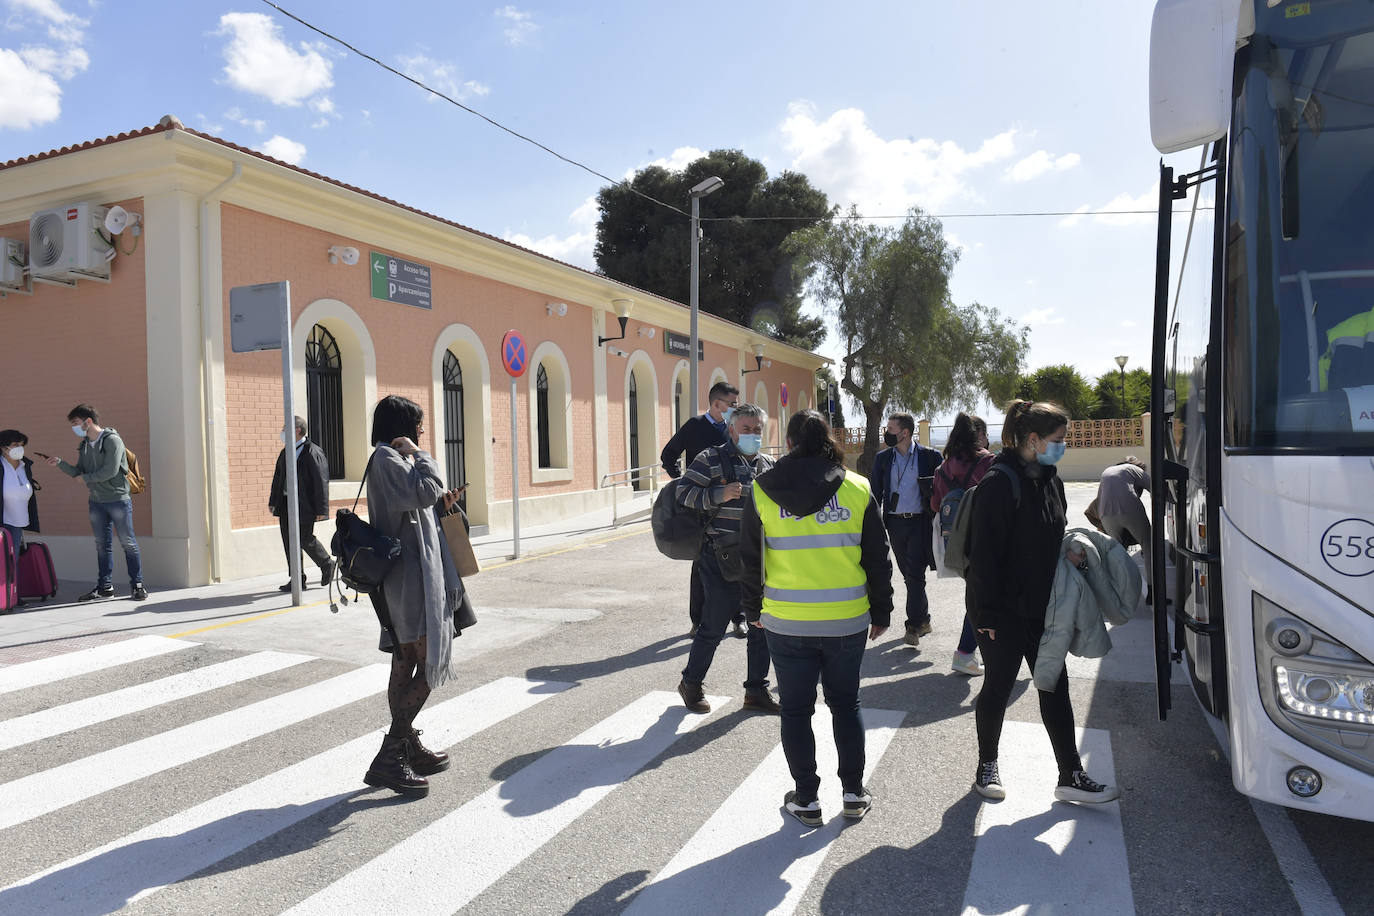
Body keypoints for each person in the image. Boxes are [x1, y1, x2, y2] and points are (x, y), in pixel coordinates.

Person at [740, 409, 894, 826]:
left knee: (795, 710)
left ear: (788, 443)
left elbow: (751, 559)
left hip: (786, 620)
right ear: (830, 440)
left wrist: (753, 609)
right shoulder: (858, 488)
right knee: (845, 705)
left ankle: (806, 799)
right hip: (846, 619)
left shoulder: (761, 490)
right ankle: (854, 793)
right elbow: (877, 557)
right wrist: (882, 608)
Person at [966, 400, 1119, 804]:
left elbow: (1053, 531)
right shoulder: (999, 483)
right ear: (1032, 440)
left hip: (1043, 606)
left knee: (1054, 684)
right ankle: (987, 766)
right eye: (1058, 440)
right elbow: (982, 558)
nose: (1062, 446)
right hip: (1001, 610)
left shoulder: (1050, 478)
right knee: (998, 686)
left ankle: (1070, 774)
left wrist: (1069, 554)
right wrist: (986, 615)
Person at [362, 395, 466, 798]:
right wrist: (423, 455)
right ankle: (391, 754)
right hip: (410, 580)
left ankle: (407, 745)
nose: (421, 433)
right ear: (401, 427)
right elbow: (423, 490)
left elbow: (420, 502)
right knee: (425, 662)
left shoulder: (391, 461)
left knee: (405, 661)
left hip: (408, 577)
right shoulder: (389, 459)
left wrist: (443, 504)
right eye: (418, 426)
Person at [675, 402, 779, 715]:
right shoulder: (710, 458)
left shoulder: (769, 465)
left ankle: (756, 690)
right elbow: (682, 493)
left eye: (757, 430)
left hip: (759, 560)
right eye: (746, 429)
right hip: (720, 555)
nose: (752, 435)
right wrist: (717, 496)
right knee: (714, 625)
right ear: (731, 430)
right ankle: (691, 683)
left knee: (760, 625)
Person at [661, 382, 744, 638]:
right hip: (701, 507)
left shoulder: (735, 429)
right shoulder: (695, 426)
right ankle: (698, 620)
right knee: (701, 566)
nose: (735, 408)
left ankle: (738, 618)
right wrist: (680, 479)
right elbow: (669, 453)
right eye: (732, 404)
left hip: (731, 506)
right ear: (717, 404)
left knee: (737, 561)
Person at [47, 405, 146, 601]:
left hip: (118, 500)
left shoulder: (112, 441)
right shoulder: (84, 445)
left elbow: (110, 471)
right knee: (102, 545)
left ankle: (138, 585)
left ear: (88, 421)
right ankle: (105, 587)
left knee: (128, 543)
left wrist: (86, 479)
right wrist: (60, 463)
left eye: (75, 423)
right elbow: (79, 471)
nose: (74, 428)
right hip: (96, 502)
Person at [870, 412, 942, 647]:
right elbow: (875, 493)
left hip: (920, 522)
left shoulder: (930, 457)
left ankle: (912, 625)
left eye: (891, 429)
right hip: (895, 523)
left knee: (914, 574)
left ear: (905, 433)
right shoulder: (883, 459)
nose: (887, 432)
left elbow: (941, 490)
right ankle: (925, 619)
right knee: (908, 575)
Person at [930, 412, 994, 676]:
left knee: (977, 594)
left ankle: (967, 652)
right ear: (978, 435)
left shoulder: (942, 468)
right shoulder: (988, 462)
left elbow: (934, 505)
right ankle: (966, 653)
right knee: (984, 597)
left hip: (955, 543)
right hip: (985, 539)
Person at [268, 415, 335, 592]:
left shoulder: (312, 451)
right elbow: (278, 478)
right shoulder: (285, 451)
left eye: (285, 428)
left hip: (304, 505)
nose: (282, 432)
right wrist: (273, 501)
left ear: (297, 430)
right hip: (285, 504)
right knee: (289, 541)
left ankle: (327, 563)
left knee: (304, 538)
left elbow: (321, 481)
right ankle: (297, 578)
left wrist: (322, 508)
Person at [1095, 457, 1152, 600]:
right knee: (1149, 546)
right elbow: (1156, 488)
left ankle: (1118, 593)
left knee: (1116, 553)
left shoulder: (1107, 471)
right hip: (1130, 509)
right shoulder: (1136, 470)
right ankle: (1153, 592)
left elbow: (1098, 500)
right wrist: (1173, 501)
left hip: (1105, 514)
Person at [1, 430, 40, 606]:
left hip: (17, 521)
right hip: (2, 520)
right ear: (3, 448)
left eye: (21, 445)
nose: (20, 448)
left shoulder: (25, 466)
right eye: (15, 445)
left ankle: (11, 595)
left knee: (12, 559)